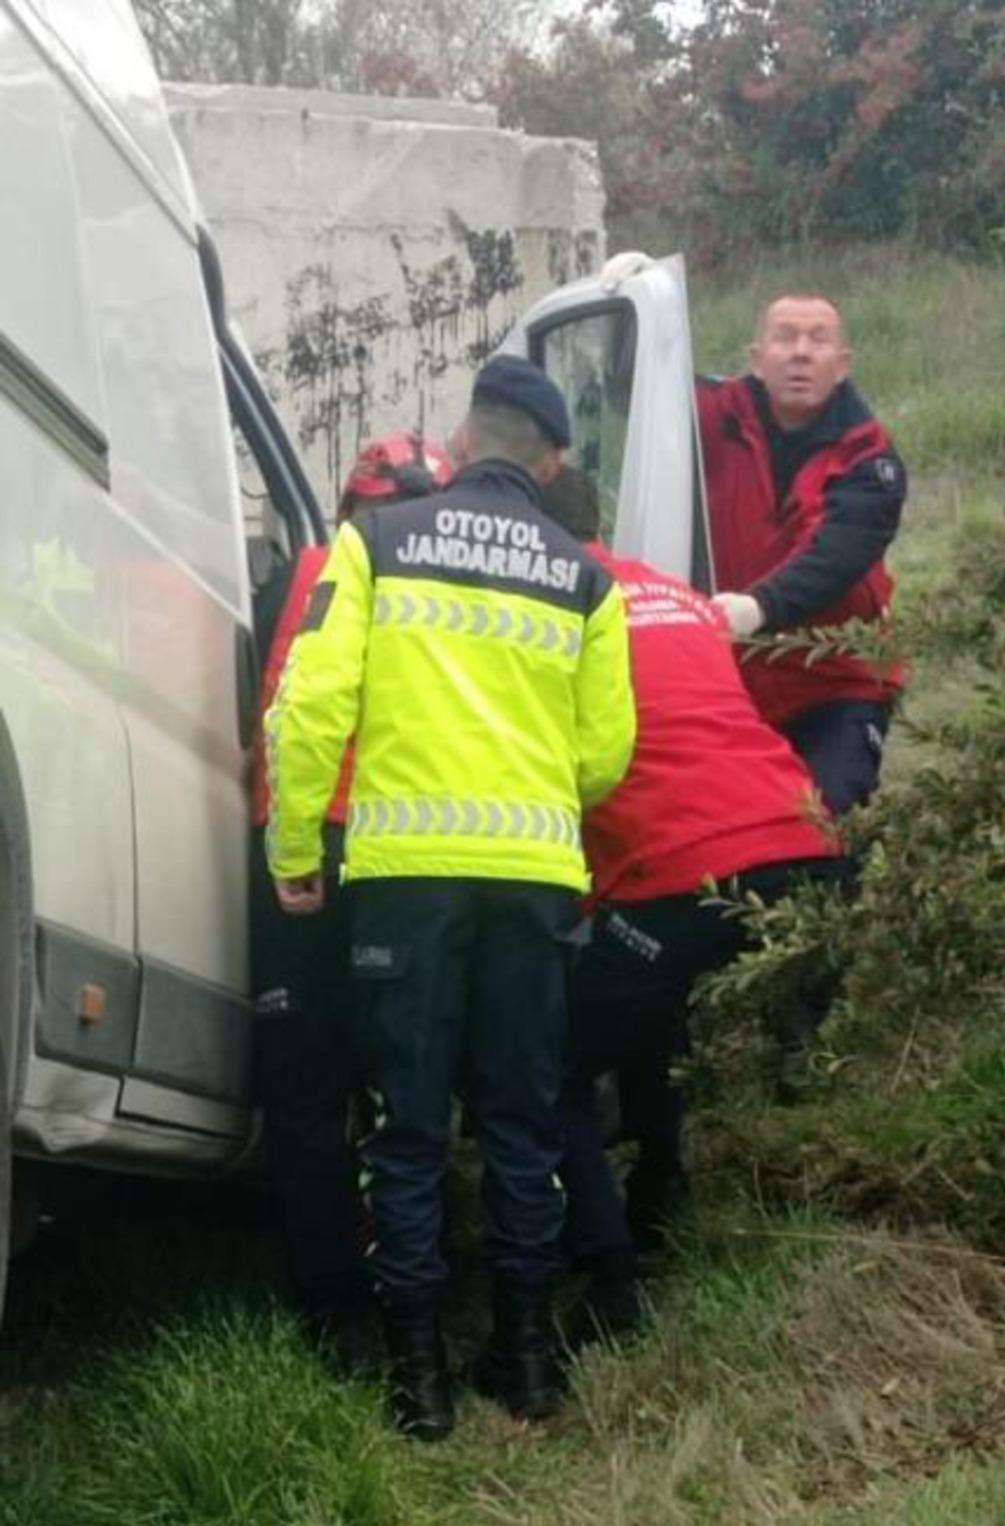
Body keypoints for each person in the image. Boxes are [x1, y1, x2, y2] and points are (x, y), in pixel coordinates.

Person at [265, 357, 637, 1440]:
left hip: (404, 886)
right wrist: (531, 793)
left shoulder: (374, 543)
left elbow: (310, 705)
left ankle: (417, 1379)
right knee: (521, 1122)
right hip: (532, 886)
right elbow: (607, 753)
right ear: (553, 461)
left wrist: (296, 847)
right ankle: (522, 1359)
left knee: (408, 1124)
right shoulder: (587, 578)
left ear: (461, 443)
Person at [538, 466, 851, 1341]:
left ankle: (611, 1285)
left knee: (551, 1060)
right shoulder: (669, 593)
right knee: (645, 1004)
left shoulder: (554, 601)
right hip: (806, 842)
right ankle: (660, 1192)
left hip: (691, 864)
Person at [249, 433, 453, 1373]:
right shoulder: (452, 593)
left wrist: (287, 843)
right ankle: (417, 1281)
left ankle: (334, 1312)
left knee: (304, 1082)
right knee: (406, 1074)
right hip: (405, 850)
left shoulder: (315, 570)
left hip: (312, 839)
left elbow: (290, 713)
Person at [601, 254, 907, 815]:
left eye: (818, 340)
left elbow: (837, 556)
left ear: (843, 364)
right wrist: (631, 303)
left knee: (823, 821)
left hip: (834, 683)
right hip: (729, 682)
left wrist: (756, 608)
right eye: (785, 337)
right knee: (723, 830)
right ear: (757, 358)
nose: (800, 351)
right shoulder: (719, 412)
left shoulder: (869, 457)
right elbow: (631, 388)